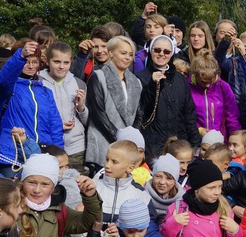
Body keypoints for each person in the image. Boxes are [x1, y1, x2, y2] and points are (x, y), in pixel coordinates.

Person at [0, 40, 63, 177]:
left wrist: (58, 154)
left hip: (42, 155)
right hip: (12, 157)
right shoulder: (8, 88)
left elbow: (55, 126)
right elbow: (1, 81)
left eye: (35, 62)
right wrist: (21, 56)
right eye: (27, 61)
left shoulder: (45, 91)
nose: (31, 66)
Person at [136, 34, 200, 160]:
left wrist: (195, 146)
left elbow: (189, 115)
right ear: (151, 51)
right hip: (153, 145)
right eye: (157, 50)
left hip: (179, 144)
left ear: (171, 54)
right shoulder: (139, 78)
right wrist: (152, 86)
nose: (161, 54)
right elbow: (141, 112)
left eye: (166, 51)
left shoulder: (180, 79)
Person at [86, 36, 143, 172]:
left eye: (130, 54)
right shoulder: (98, 76)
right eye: (123, 53)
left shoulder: (136, 82)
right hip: (103, 140)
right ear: (111, 53)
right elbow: (97, 113)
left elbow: (139, 113)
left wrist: (131, 138)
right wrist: (119, 137)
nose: (127, 58)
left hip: (127, 144)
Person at [38, 41, 89, 169]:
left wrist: (81, 107)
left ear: (71, 62)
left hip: (76, 146)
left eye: (66, 63)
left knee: (76, 184)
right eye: (57, 62)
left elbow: (88, 121)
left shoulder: (78, 83)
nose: (61, 66)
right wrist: (57, 125)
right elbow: (34, 116)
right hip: (48, 146)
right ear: (48, 61)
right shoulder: (38, 82)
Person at [93, 140, 155, 223]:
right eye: (107, 159)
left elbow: (149, 226)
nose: (107, 165)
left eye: (114, 162)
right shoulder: (92, 187)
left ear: (130, 168)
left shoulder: (140, 195)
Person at [189, 52, 242, 139]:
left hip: (219, 139)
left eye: (211, 81)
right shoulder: (187, 87)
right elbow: (183, 116)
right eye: (203, 82)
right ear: (195, 75)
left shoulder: (223, 87)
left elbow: (232, 117)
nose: (207, 85)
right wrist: (198, 129)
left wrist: (236, 138)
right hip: (195, 139)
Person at [144, 153, 185, 225]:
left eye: (168, 178)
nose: (162, 182)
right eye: (158, 176)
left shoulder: (182, 202)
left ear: (175, 181)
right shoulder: (142, 195)